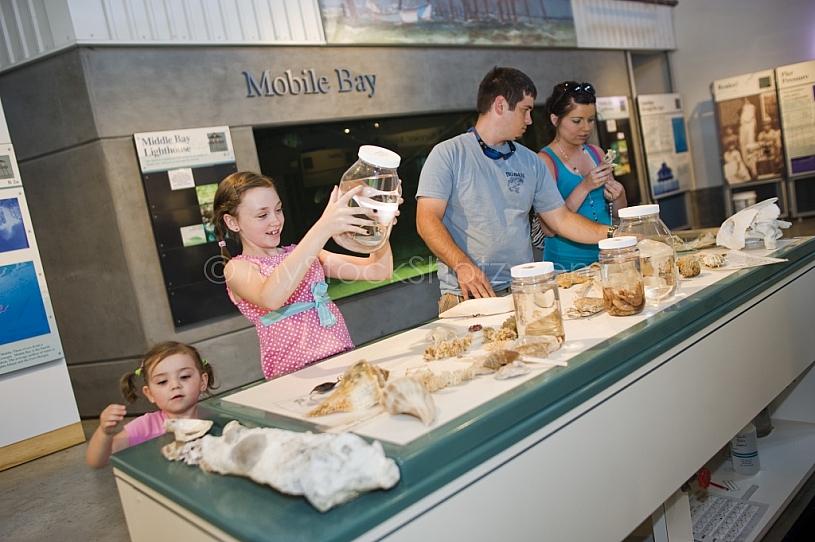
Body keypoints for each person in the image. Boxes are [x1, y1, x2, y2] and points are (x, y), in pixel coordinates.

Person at [416, 67, 614, 314]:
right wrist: (462, 266)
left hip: (525, 289)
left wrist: (614, 234)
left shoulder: (530, 161)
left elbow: (561, 219)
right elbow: (426, 220)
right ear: (500, 105)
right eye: (525, 110)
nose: (530, 120)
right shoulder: (448, 154)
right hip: (466, 295)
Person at [211, 171, 394, 379]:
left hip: (342, 360)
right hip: (296, 376)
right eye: (262, 215)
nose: (275, 221)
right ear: (233, 222)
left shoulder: (303, 253)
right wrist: (323, 228)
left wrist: (380, 224)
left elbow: (379, 270)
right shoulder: (238, 268)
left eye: (278, 210)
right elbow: (271, 297)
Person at [537, 81, 627, 271]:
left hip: (607, 255)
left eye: (591, 120)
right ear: (555, 119)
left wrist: (619, 195)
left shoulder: (597, 153)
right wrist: (585, 186)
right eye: (577, 121)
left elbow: (618, 214)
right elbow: (550, 228)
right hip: (568, 263)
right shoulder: (545, 161)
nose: (586, 128)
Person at [86, 341, 216, 468]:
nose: (175, 385)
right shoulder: (145, 427)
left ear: (203, 381)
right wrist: (104, 432)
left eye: (184, 376)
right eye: (162, 381)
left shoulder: (213, 418)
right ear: (150, 394)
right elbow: (97, 461)